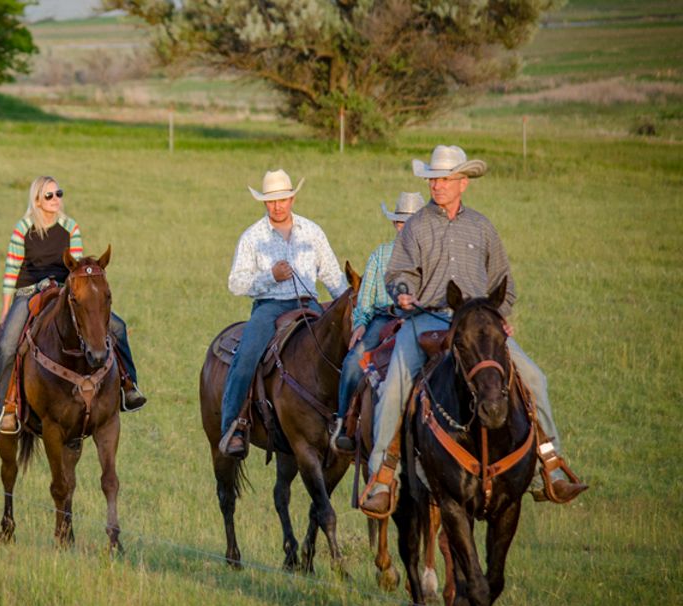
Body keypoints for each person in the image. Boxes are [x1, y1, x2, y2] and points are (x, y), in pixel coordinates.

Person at [358, 145, 588, 515]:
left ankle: (550, 464)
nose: (437, 186)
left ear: (463, 182)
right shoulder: (416, 225)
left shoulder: (482, 227)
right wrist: (402, 292)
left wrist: (499, 316)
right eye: (433, 179)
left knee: (534, 379)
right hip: (427, 318)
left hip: (478, 326)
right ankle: (382, 476)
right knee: (396, 385)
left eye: (445, 179)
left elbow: (504, 282)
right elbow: (397, 272)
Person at [0, 175, 146, 433]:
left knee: (118, 327)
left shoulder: (70, 227)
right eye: (50, 195)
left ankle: (128, 386)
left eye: (59, 194)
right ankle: (4, 408)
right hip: (29, 290)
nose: (56, 200)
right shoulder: (23, 228)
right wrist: (6, 309)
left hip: (64, 289)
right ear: (37, 200)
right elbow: (11, 271)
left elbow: (75, 268)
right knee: (7, 344)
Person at [218, 169, 348, 459]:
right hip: (270, 307)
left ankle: (347, 422)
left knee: (343, 348)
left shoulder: (312, 232)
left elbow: (331, 274)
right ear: (264, 203)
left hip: (309, 304)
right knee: (247, 355)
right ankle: (233, 426)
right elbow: (236, 282)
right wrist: (270, 277)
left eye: (282, 199)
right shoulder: (252, 237)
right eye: (271, 201)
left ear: (292, 198)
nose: (277, 206)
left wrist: (352, 305)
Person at [331, 193, 423, 451]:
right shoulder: (381, 255)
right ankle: (343, 423)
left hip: (418, 318)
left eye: (411, 222)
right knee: (353, 361)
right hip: (383, 317)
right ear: (395, 224)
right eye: (400, 222)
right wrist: (360, 323)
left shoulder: (429, 255)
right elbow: (367, 298)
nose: (405, 227)